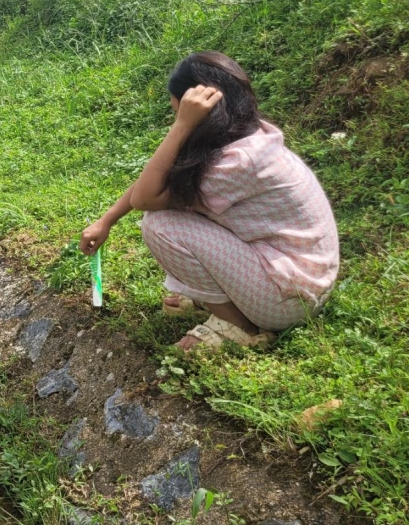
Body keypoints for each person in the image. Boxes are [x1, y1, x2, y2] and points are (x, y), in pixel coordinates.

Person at [79, 51, 339, 351]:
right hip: (296, 281)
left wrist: (181, 126)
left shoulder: (239, 163)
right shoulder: (241, 136)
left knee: (161, 224)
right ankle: (229, 300)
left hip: (291, 301)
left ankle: (242, 327)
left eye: (178, 108)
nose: (174, 112)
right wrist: (106, 220)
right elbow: (163, 179)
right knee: (172, 214)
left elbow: (146, 197)